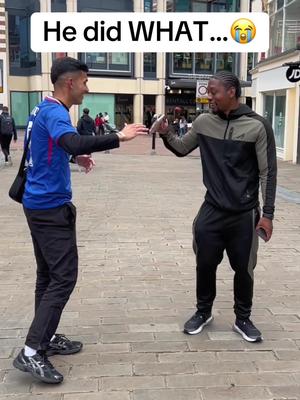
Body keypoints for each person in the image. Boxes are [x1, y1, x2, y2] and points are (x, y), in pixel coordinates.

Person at [12, 56, 148, 384]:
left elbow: (47, 145)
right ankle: (31, 351)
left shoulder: (41, 109)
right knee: (63, 278)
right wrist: (119, 137)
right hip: (49, 208)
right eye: (85, 82)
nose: (88, 89)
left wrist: (73, 155)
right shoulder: (58, 112)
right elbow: (69, 139)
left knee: (47, 277)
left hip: (37, 203)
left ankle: (44, 338)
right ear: (70, 83)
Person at [155, 71, 277, 343]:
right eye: (208, 92)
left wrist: (267, 215)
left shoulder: (257, 126)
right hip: (212, 210)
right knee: (205, 264)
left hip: (244, 214)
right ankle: (203, 312)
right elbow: (181, 148)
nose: (208, 96)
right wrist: (166, 133)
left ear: (231, 92)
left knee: (244, 269)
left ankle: (243, 318)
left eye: (214, 92)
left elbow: (268, 172)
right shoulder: (203, 122)